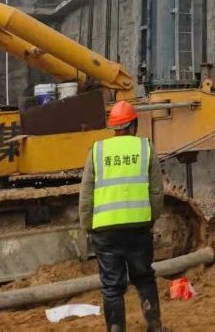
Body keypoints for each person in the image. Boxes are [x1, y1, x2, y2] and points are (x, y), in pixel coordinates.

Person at [79, 100, 166, 332]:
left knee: (112, 287)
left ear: (114, 127)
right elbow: (156, 193)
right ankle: (155, 326)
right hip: (138, 229)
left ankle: (116, 328)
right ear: (133, 125)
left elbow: (86, 196)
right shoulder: (146, 148)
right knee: (144, 278)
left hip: (106, 232)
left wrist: (88, 226)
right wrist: (151, 219)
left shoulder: (98, 151)